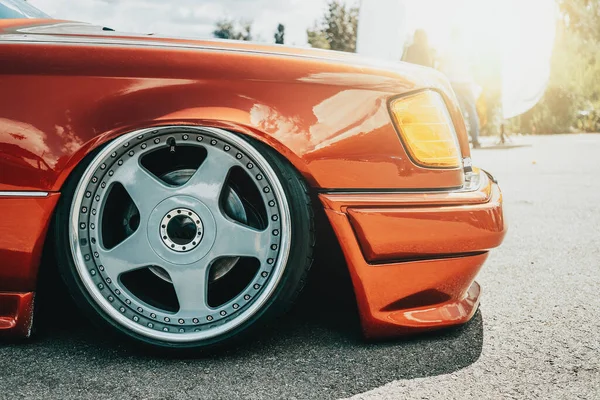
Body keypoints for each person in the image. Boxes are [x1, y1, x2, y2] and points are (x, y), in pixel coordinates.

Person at [439, 29, 481, 148]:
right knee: (472, 111)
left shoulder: (447, 48)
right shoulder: (467, 48)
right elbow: (476, 64)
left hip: (454, 83)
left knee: (459, 113)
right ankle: (476, 140)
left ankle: (462, 142)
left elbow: (441, 64)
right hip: (467, 82)